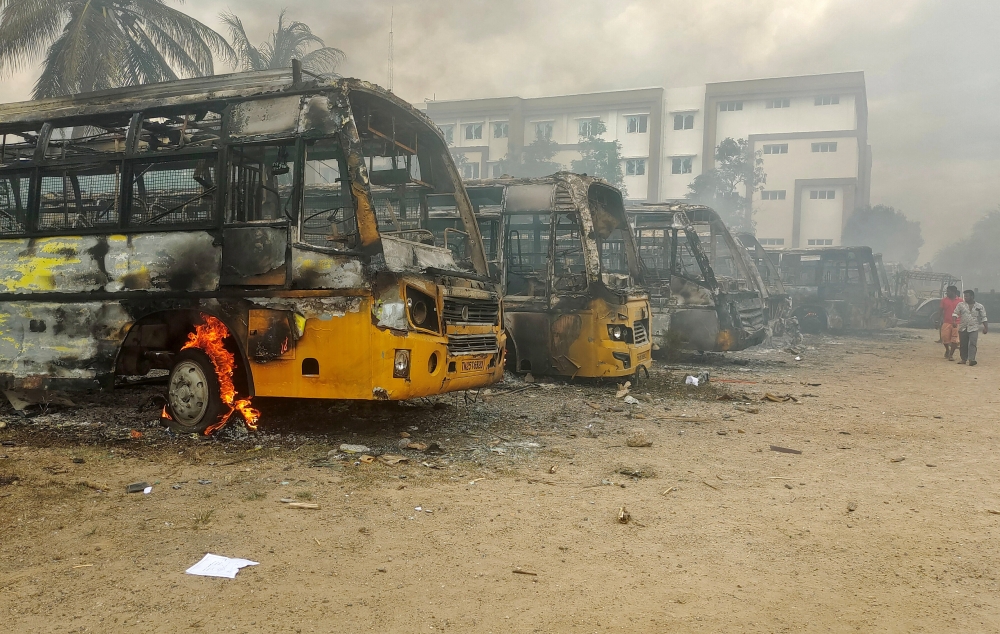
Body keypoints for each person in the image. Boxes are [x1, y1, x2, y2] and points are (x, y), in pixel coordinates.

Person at [953, 289, 988, 366]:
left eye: (967, 296)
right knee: (963, 344)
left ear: (972, 296)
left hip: (974, 327)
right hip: (963, 327)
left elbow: (983, 317)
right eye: (964, 296)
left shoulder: (979, 306)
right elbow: (955, 313)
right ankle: (963, 359)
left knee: (972, 343)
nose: (965, 297)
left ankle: (972, 359)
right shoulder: (960, 305)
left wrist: (986, 327)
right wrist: (954, 321)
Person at [939, 285, 962, 360]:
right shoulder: (944, 300)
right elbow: (940, 310)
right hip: (946, 322)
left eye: (948, 291)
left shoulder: (961, 301)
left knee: (954, 340)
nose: (947, 293)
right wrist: (938, 320)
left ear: (953, 292)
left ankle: (951, 355)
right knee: (945, 338)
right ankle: (947, 350)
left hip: (957, 323)